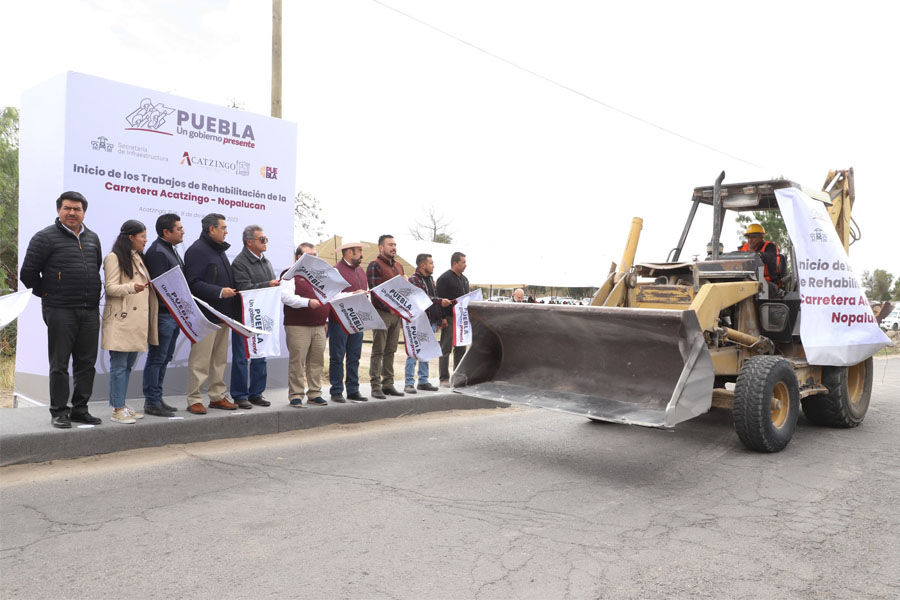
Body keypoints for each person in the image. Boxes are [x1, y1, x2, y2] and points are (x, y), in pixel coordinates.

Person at [20, 191, 104, 429]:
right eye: (67, 208)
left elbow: (95, 266)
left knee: (86, 363)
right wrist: (48, 294)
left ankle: (80, 409)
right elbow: (27, 274)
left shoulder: (92, 238)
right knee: (59, 363)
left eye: (77, 209)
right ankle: (59, 411)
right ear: (59, 210)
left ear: (83, 212)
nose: (72, 213)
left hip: (89, 309)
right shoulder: (44, 237)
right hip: (59, 309)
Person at [101, 220, 158, 424]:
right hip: (121, 319)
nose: (145, 240)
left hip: (135, 321)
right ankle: (117, 408)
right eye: (142, 236)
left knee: (127, 367)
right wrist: (132, 287)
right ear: (131, 237)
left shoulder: (136, 258)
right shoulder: (113, 257)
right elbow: (110, 288)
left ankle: (122, 404)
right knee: (118, 366)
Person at [183, 213, 239, 414]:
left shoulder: (219, 251)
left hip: (223, 315)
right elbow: (192, 283)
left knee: (219, 359)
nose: (226, 231)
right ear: (211, 229)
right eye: (223, 228)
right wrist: (218, 291)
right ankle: (194, 399)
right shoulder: (197, 251)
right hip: (205, 315)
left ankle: (217, 396)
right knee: (200, 360)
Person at [230, 225, 280, 409]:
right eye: (262, 239)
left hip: (262, 315)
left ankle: (256, 393)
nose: (266, 242)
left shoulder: (265, 261)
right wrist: (268, 284)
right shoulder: (240, 263)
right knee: (241, 357)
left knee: (261, 354)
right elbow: (243, 289)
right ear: (249, 242)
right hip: (243, 317)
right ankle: (240, 395)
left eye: (266, 239)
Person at [142, 213, 186, 417]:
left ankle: (158, 398)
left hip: (174, 314)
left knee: (165, 357)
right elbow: (161, 287)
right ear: (166, 232)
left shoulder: (171, 250)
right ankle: (151, 402)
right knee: (157, 358)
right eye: (178, 228)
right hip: (163, 314)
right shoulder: (158, 252)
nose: (182, 231)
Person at [281, 243, 330, 407]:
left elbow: (331, 296)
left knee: (317, 362)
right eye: (310, 255)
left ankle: (315, 393)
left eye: (315, 255)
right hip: (298, 326)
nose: (314, 258)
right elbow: (286, 297)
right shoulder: (290, 274)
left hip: (319, 326)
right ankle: (295, 395)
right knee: (298, 362)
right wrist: (308, 302)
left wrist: (353, 294)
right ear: (298, 257)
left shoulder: (320, 275)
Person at [404, 253, 451, 394]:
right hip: (417, 321)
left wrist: (439, 319)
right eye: (431, 263)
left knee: (427, 350)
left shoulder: (430, 279)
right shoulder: (413, 279)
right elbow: (421, 298)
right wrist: (439, 300)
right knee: (414, 351)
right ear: (422, 265)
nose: (433, 265)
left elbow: (433, 299)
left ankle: (423, 381)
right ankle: (409, 382)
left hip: (430, 320)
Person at [366, 234, 405, 399]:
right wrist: (391, 307)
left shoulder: (399, 266)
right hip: (382, 313)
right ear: (381, 247)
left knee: (391, 350)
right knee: (378, 350)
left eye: (395, 244)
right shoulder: (375, 265)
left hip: (397, 315)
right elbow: (376, 292)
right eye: (390, 244)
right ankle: (375, 386)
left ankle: (388, 384)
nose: (393, 247)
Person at [329, 241, 368, 403]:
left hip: (357, 320)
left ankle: (353, 389)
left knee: (354, 356)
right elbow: (331, 296)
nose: (361, 254)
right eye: (359, 251)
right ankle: (336, 390)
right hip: (339, 320)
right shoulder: (335, 271)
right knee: (337, 356)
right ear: (349, 253)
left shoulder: (361, 271)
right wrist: (354, 294)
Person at [436, 251, 470, 387]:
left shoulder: (465, 279)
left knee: (461, 348)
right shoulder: (444, 279)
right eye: (463, 262)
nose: (465, 265)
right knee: (445, 348)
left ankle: (458, 376)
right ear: (455, 263)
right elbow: (439, 300)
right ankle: (444, 378)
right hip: (449, 317)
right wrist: (442, 318)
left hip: (461, 319)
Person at [739, 223, 782, 293]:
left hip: (768, 282)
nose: (750, 240)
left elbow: (770, 258)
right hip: (747, 281)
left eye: (753, 237)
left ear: (761, 236)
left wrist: (757, 254)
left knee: (752, 290)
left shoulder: (770, 247)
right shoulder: (744, 248)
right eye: (748, 237)